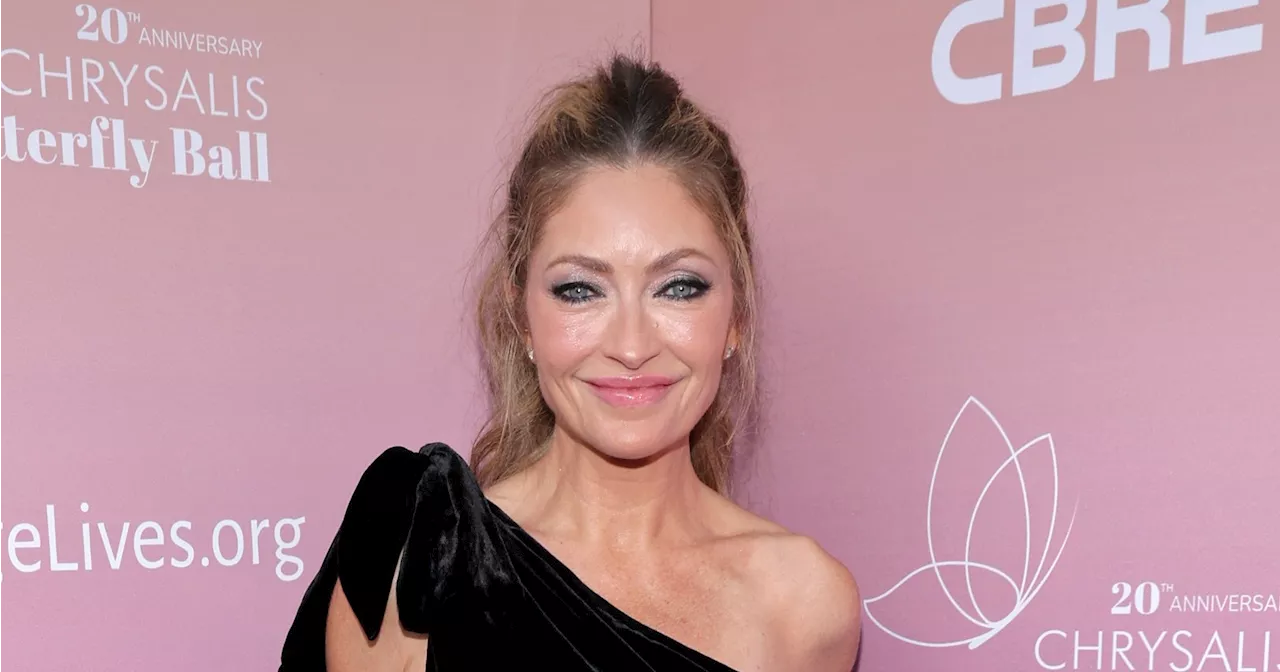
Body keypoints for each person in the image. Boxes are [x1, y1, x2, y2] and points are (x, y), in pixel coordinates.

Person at [279, 53, 861, 672]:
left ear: (735, 317)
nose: (632, 346)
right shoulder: (419, 577)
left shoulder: (805, 605)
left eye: (679, 287)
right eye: (580, 290)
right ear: (522, 317)